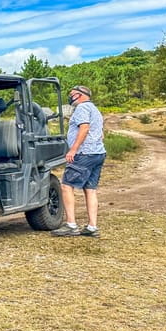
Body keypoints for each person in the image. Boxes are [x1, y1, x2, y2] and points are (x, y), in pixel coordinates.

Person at [51, 85, 106, 237]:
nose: (70, 97)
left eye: (72, 94)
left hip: (84, 154)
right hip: (98, 153)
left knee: (66, 186)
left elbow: (84, 128)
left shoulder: (82, 108)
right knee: (90, 189)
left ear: (80, 95)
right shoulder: (95, 110)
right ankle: (92, 227)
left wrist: (73, 149)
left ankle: (71, 225)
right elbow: (100, 134)